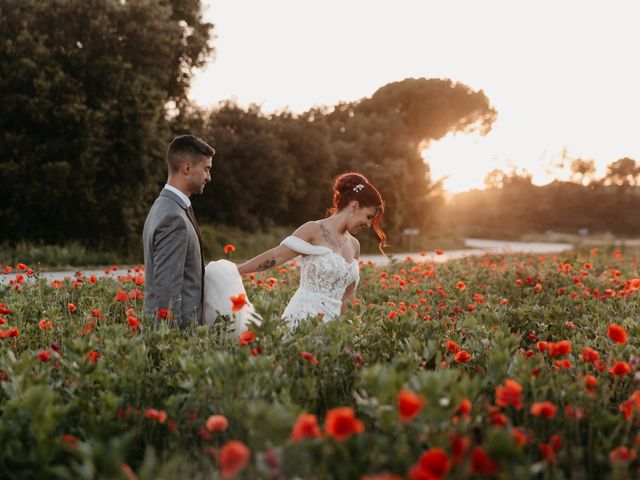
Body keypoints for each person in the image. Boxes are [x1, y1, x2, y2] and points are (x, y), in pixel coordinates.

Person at [203, 172, 386, 330]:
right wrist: (236, 270)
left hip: (334, 327)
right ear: (354, 206)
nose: (369, 224)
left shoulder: (355, 245)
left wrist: (346, 329)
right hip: (303, 316)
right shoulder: (313, 230)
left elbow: (348, 295)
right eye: (369, 216)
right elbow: (277, 255)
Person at [143, 134, 214, 329]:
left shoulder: (163, 206)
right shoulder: (173, 218)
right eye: (206, 169)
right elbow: (166, 291)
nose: (209, 177)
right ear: (187, 168)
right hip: (177, 337)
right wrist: (171, 346)